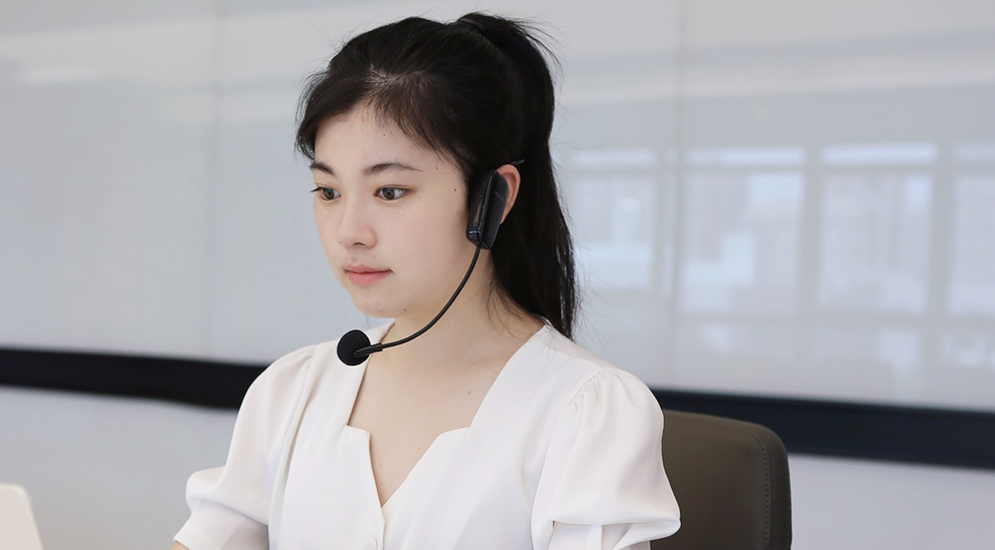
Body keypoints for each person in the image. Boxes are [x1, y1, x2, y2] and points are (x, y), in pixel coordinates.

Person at [169, 12, 680, 550]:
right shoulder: (292, 391)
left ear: (493, 198)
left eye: (390, 192)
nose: (349, 232)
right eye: (329, 192)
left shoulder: (585, 411)